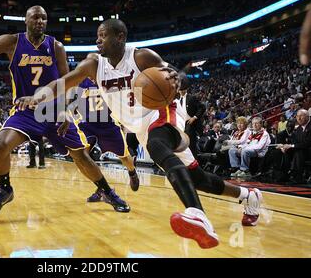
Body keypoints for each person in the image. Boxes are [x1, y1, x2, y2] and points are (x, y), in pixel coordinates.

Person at [16, 19, 263, 249]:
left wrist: (173, 82)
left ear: (120, 37)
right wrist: (35, 97)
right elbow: (63, 82)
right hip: (138, 127)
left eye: (103, 35)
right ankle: (248, 195)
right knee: (197, 179)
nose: (98, 40)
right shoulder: (93, 64)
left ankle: (198, 216)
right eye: (97, 36)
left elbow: (179, 78)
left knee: (157, 144)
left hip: (160, 113)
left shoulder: (142, 57)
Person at [0, 6, 130, 218]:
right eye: (35, 17)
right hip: (26, 110)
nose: (40, 21)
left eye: (44, 18)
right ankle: (5, 189)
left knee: (81, 156)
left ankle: (107, 191)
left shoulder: (56, 46)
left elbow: (67, 83)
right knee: (0, 145)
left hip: (53, 110)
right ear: (26, 20)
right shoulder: (11, 42)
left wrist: (66, 112)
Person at [57, 78, 139, 201]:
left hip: (109, 125)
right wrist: (67, 120)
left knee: (125, 157)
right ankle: (103, 189)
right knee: (82, 157)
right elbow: (72, 104)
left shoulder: (109, 79)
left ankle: (132, 172)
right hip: (88, 125)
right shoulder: (81, 82)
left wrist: (123, 119)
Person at [278, 109, 311, 184]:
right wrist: (285, 147)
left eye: (301, 116)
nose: (298, 118)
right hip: (301, 150)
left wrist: (291, 146)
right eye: (297, 116)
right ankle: (284, 174)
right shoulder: (298, 129)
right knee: (286, 151)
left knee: (298, 151)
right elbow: (294, 142)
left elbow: (307, 143)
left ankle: (298, 177)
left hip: (308, 151)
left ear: (307, 117)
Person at [179, 78, 205, 158]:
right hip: (181, 124)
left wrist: (194, 117)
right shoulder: (177, 99)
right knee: (181, 144)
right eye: (180, 89)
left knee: (190, 144)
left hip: (190, 123)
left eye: (183, 89)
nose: (181, 91)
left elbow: (202, 107)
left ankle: (194, 163)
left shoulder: (191, 98)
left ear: (186, 89)